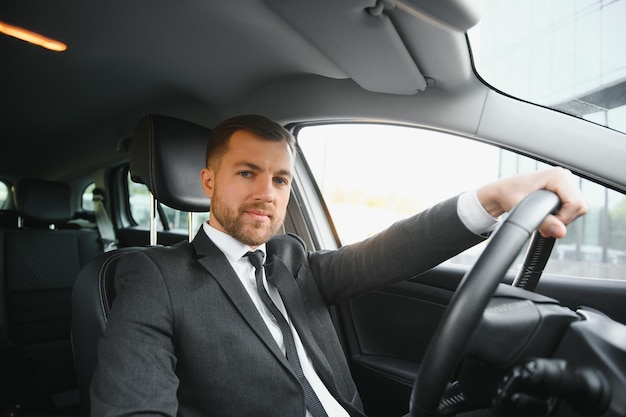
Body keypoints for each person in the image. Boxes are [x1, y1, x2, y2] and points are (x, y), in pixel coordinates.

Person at [90, 115, 587, 417]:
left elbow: (391, 251)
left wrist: (496, 197)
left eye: (281, 180)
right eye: (247, 173)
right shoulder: (155, 275)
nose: (268, 193)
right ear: (208, 182)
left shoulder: (293, 259)